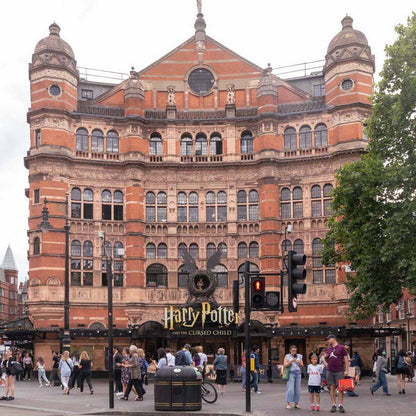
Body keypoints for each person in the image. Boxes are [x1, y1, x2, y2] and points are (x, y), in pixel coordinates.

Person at [325, 334, 349, 413]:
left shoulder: (341, 347)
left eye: (329, 339)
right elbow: (325, 357)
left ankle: (341, 405)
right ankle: (333, 405)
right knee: (331, 387)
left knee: (340, 388)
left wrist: (346, 370)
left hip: (339, 370)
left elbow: (346, 359)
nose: (328, 341)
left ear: (333, 339)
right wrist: (325, 362)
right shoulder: (329, 349)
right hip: (330, 370)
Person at [284, 345, 303, 410]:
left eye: (295, 351)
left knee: (297, 389)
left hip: (298, 373)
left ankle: (296, 403)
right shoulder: (287, 356)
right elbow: (285, 365)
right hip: (291, 373)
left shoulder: (299, 356)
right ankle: (288, 403)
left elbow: (301, 365)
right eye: (292, 351)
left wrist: (299, 362)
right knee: (290, 388)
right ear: (290, 351)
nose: (294, 352)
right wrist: (291, 361)